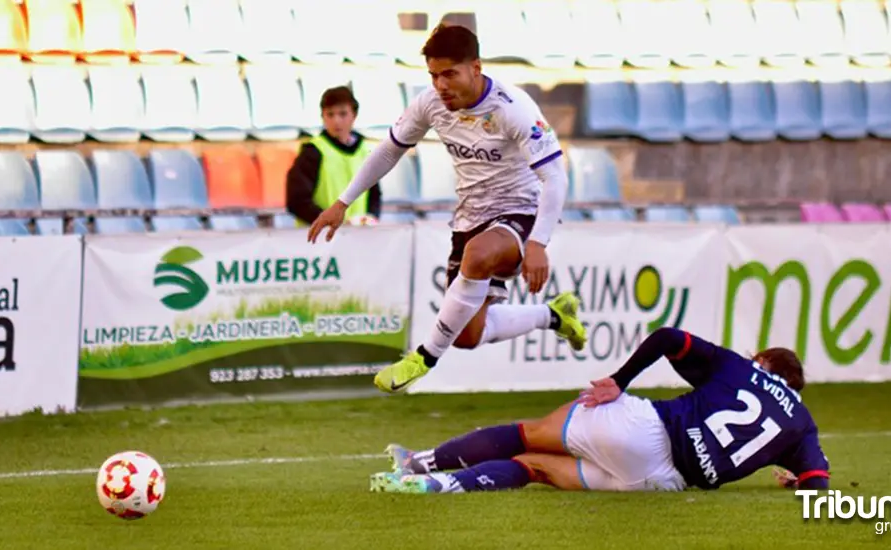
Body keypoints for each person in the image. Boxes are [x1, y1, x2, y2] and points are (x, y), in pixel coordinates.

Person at [306, 24, 585, 394]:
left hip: (522, 211)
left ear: (476, 67)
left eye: (449, 74)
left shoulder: (513, 108)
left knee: (479, 253)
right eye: (434, 75)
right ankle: (553, 315)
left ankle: (422, 356)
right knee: (468, 334)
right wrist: (342, 202)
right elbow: (390, 150)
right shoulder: (430, 103)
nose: (441, 85)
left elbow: (555, 177)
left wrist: (538, 243)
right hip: (470, 217)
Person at [369, 327, 832, 494]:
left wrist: (620, 381)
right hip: (663, 484)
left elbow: (670, 338)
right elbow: (818, 485)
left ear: (764, 364)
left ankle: (419, 465)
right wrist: (795, 481)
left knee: (528, 436)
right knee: (534, 470)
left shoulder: (741, 368)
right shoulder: (801, 425)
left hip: (647, 431)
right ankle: (435, 487)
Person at [286, 86, 382, 227]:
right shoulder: (312, 152)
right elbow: (297, 201)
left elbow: (374, 195)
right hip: (320, 238)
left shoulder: (364, 150)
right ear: (322, 117)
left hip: (355, 236)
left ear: (354, 115)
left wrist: (370, 217)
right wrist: (331, 221)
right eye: (330, 114)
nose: (336, 120)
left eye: (343, 114)